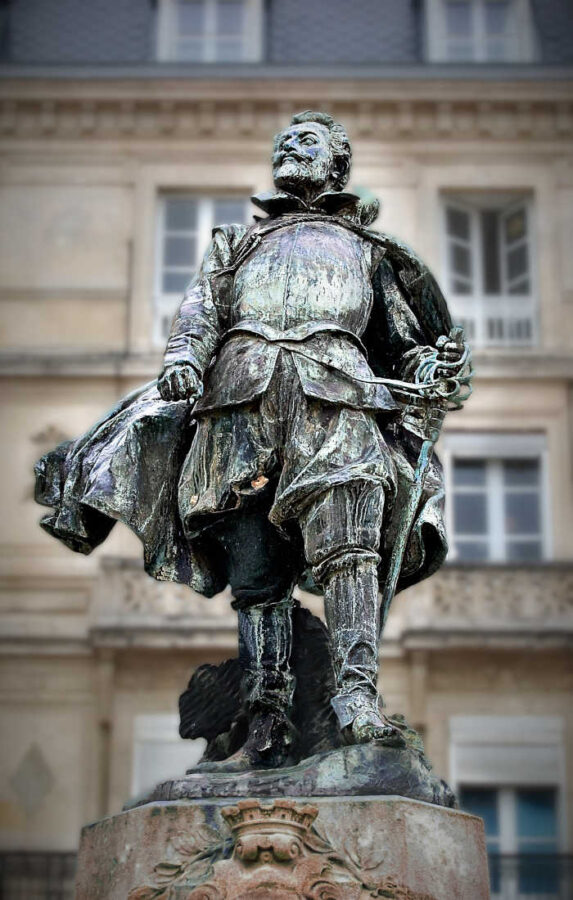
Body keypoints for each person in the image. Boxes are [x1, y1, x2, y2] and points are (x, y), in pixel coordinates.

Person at [35, 111, 468, 771]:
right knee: (257, 570)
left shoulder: (375, 253)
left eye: (308, 139)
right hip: (238, 400)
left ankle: (355, 700)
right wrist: (184, 356)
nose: (289, 144)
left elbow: (406, 349)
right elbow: (201, 309)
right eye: (282, 140)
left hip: (337, 397)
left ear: (337, 166)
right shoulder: (234, 242)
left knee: (349, 548)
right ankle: (266, 717)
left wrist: (430, 373)